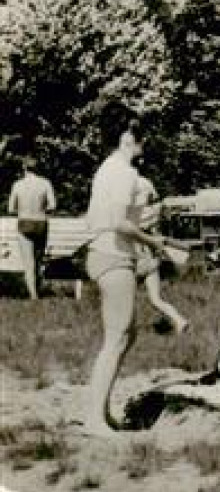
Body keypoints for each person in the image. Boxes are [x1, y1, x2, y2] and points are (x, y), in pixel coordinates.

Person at [83, 121, 173, 434]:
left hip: (106, 253)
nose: (144, 141)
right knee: (117, 337)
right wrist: (153, 243)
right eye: (140, 135)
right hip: (113, 255)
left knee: (126, 334)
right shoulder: (124, 172)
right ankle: (94, 418)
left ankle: (102, 413)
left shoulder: (107, 169)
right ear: (126, 138)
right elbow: (120, 223)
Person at [132, 175, 188, 335]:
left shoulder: (133, 217)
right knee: (156, 299)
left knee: (121, 298)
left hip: (135, 259)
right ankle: (179, 320)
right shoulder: (152, 214)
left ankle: (124, 328)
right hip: (151, 259)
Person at [7, 154, 56, 300]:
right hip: (40, 222)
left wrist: (22, 210)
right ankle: (39, 291)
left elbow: (10, 209)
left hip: (24, 223)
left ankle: (33, 296)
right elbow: (53, 205)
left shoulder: (17, 184)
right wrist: (41, 208)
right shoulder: (45, 183)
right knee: (38, 260)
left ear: (24, 167)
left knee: (29, 263)